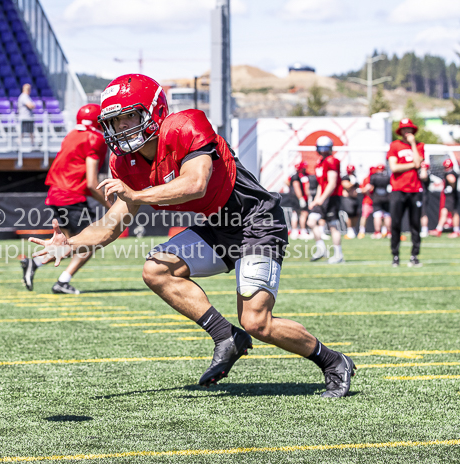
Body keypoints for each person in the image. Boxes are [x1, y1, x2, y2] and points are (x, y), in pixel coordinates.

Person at [29, 74, 356, 397]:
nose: (121, 128)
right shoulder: (125, 163)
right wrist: (69, 244)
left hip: (256, 220)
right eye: (115, 122)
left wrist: (138, 195)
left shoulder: (186, 125)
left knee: (258, 322)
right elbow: (113, 223)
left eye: (129, 116)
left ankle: (334, 361)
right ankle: (226, 336)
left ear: (154, 112)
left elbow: (195, 182)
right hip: (217, 225)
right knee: (156, 269)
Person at [21, 104, 110, 294]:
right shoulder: (94, 138)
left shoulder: (72, 134)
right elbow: (92, 184)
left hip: (56, 193)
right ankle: (63, 281)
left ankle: (34, 263)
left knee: (70, 242)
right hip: (71, 196)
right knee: (90, 241)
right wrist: (111, 206)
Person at [388, 119, 424, 267]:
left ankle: (414, 256)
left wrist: (413, 144)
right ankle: (395, 256)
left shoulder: (420, 145)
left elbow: (419, 161)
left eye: (409, 128)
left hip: (415, 190)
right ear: (400, 131)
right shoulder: (395, 145)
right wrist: (412, 166)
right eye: (404, 129)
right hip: (398, 190)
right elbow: (394, 167)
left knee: (415, 225)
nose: (407, 131)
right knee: (395, 224)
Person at [307, 136, 344, 264]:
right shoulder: (320, 162)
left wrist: (322, 198)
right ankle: (321, 247)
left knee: (333, 226)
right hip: (323, 197)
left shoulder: (332, 161)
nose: (323, 152)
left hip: (332, 197)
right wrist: (316, 199)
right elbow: (320, 184)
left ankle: (338, 254)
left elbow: (332, 183)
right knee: (311, 221)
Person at [430, 159, 459, 238]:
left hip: (451, 196)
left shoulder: (450, 173)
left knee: (446, 212)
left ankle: (439, 229)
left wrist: (451, 184)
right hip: (451, 196)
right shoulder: (450, 172)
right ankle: (455, 230)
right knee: (452, 213)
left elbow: (452, 180)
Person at [288, 161, 310, 240]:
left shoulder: (300, 176)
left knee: (296, 214)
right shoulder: (296, 177)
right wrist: (301, 198)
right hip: (297, 198)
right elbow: (296, 187)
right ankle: (301, 231)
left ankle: (295, 231)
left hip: (295, 198)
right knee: (302, 213)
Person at [369, 165, 392, 239]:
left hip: (377, 197)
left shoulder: (374, 177)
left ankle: (377, 232)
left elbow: (370, 188)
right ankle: (389, 232)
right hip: (386, 197)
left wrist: (370, 195)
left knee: (377, 215)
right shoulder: (387, 177)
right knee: (387, 215)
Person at [340, 165, 360, 239]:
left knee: (355, 215)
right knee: (349, 215)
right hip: (347, 198)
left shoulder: (355, 176)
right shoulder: (345, 177)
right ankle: (349, 230)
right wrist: (353, 182)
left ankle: (353, 229)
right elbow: (347, 186)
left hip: (354, 198)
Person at [357, 168, 375, 239]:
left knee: (380, 216)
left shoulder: (378, 178)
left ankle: (382, 231)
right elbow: (361, 189)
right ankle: (361, 231)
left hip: (377, 200)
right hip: (367, 200)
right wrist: (367, 189)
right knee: (364, 216)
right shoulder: (366, 179)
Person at [420, 161, 431, 237]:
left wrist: (423, 169)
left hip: (423, 196)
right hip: (416, 195)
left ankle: (424, 230)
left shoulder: (426, 174)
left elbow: (424, 176)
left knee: (423, 213)